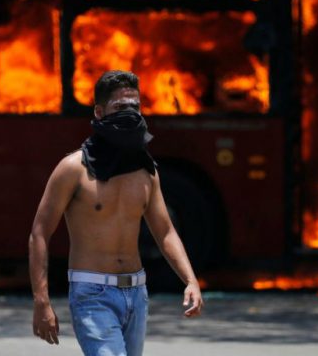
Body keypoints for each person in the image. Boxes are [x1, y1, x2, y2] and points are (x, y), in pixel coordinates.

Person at [28, 70, 203, 355]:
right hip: (92, 293)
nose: (130, 113)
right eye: (120, 107)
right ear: (99, 112)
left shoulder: (147, 172)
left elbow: (165, 231)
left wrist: (190, 280)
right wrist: (41, 301)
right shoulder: (73, 169)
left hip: (136, 293)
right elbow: (39, 233)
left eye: (135, 107)